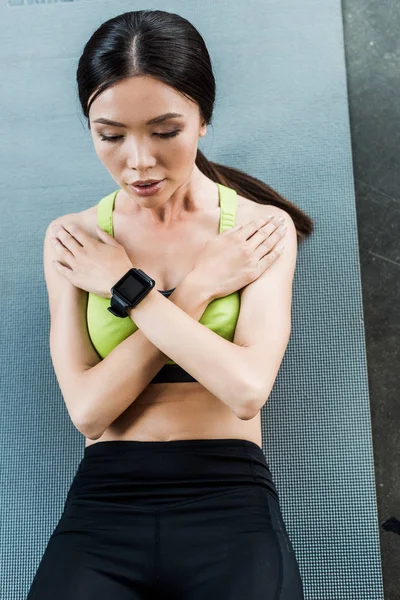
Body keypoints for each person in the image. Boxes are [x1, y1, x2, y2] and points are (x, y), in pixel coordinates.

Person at [27, 9, 313, 599]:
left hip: (228, 498)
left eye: (164, 131)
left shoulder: (259, 230)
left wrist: (128, 290)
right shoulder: (76, 240)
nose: (138, 161)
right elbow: (87, 410)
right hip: (105, 503)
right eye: (110, 135)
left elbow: (245, 390)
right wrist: (198, 288)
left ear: (203, 119)